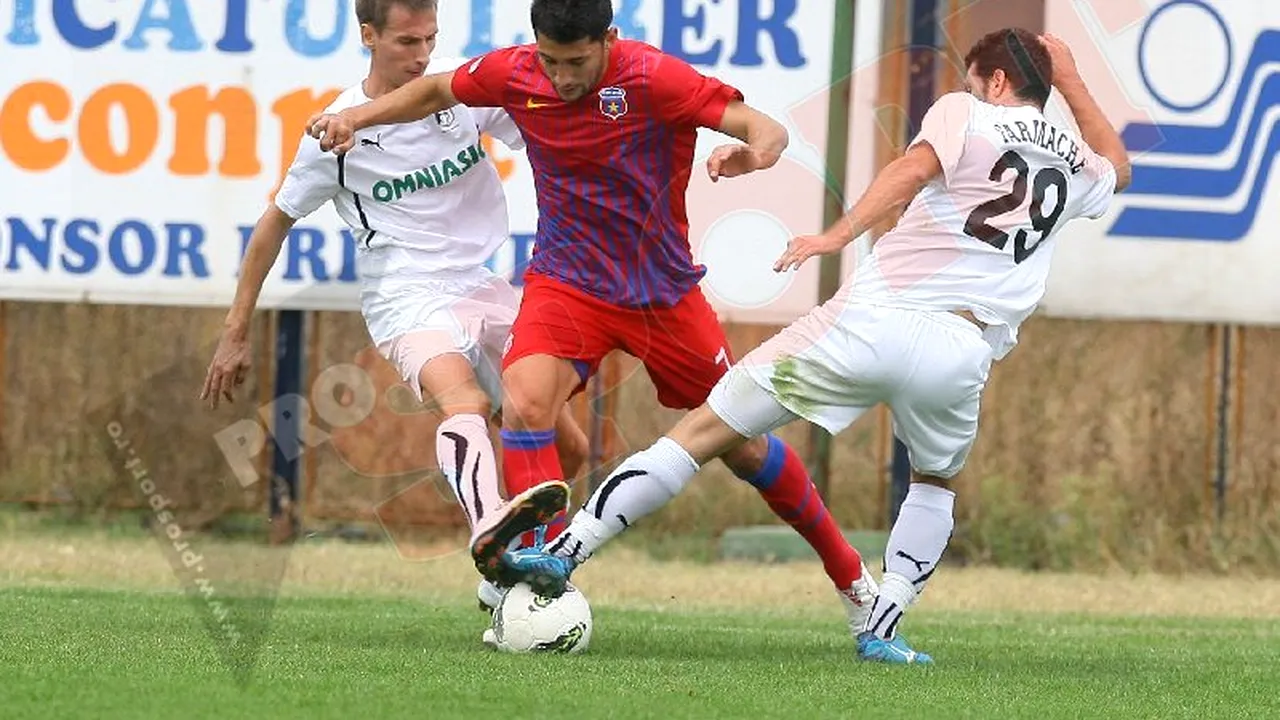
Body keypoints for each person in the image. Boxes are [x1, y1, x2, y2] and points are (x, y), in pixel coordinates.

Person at [538, 28, 1132, 664]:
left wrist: (835, 236)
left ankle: (566, 551)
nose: (965, 90)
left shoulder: (968, 111)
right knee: (934, 483)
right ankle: (883, 628)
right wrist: (1068, 77)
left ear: (994, 82)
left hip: (870, 324)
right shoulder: (1074, 159)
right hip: (962, 350)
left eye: (970, 80)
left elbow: (910, 170)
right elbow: (1119, 169)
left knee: (702, 433)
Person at [306, 0, 880, 631]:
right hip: (566, 284)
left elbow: (763, 128)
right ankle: (532, 579)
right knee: (525, 403)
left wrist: (750, 154)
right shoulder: (518, 74)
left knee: (741, 447)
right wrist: (352, 117)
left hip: (660, 294)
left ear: (609, 38)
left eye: (576, 61)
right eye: (550, 60)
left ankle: (852, 580)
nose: (561, 77)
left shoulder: (653, 77)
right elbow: (440, 88)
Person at [199, 0, 589, 603]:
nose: (423, 54)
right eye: (407, 42)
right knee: (466, 399)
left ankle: (520, 572)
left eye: (430, 39)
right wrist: (235, 330)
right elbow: (274, 222)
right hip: (405, 296)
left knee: (570, 445)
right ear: (368, 35)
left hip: (482, 285)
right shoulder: (336, 129)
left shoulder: (458, 92)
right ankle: (492, 533)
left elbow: (548, 124)